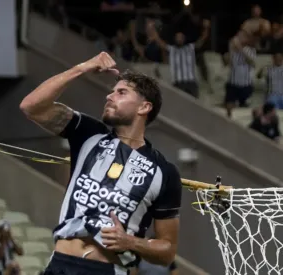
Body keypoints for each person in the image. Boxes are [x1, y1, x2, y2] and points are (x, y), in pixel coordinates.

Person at [20, 52, 182, 275]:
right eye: (112, 91)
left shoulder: (163, 172)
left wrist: (130, 242)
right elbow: (31, 107)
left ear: (144, 107)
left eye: (121, 92)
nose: (109, 96)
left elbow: (168, 251)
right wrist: (83, 67)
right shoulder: (89, 134)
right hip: (60, 264)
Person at [149, 19, 210, 98]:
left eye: (181, 37)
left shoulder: (190, 48)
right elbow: (159, 42)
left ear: (184, 39)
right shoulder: (172, 49)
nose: (179, 39)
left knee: (194, 104)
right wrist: (153, 29)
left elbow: (202, 39)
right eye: (178, 37)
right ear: (175, 39)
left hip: (191, 82)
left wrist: (206, 28)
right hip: (178, 82)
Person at [256, 52, 283, 123]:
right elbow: (258, 76)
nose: (279, 60)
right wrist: (261, 69)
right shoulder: (268, 69)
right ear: (273, 59)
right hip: (272, 94)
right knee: (272, 106)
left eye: (280, 59)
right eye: (277, 59)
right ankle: (272, 120)